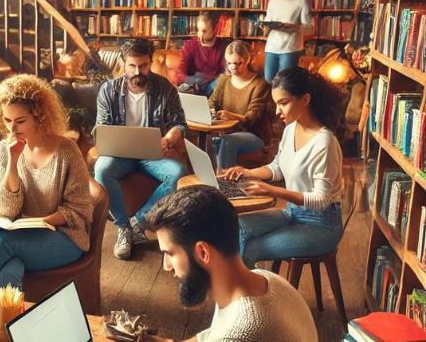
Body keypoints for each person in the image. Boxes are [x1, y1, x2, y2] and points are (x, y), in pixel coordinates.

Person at [144, 185, 318, 342]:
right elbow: (211, 336)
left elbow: (229, 336)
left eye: (169, 253)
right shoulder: (267, 280)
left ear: (203, 252)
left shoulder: (239, 333)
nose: (167, 266)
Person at [0, 74, 92, 291]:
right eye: (7, 120)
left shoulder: (67, 151)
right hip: (23, 236)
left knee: (2, 241)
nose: (12, 129)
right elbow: (7, 208)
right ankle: (6, 322)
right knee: (8, 271)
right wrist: (12, 162)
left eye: (20, 121)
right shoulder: (4, 149)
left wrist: (42, 222)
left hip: (66, 236)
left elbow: (80, 209)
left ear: (39, 115)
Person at [222, 66, 344, 269]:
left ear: (305, 100)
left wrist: (270, 189)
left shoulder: (325, 143)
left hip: (321, 225)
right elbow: (277, 167)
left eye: (283, 103)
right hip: (292, 213)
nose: (277, 111)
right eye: (276, 103)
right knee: (238, 227)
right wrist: (248, 172)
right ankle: (239, 295)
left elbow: (321, 200)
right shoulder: (290, 129)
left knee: (252, 248)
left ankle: (252, 299)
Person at [94, 39, 187, 260]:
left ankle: (139, 221)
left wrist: (171, 135)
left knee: (178, 174)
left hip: (153, 154)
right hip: (120, 154)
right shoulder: (108, 90)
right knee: (101, 169)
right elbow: (100, 128)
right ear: (123, 63)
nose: (138, 72)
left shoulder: (165, 87)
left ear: (150, 62)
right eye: (132, 66)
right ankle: (123, 227)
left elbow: (180, 123)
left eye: (143, 66)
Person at [208, 40, 270, 170]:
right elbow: (211, 102)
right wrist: (211, 110)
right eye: (229, 63)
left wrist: (230, 115)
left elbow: (252, 118)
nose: (233, 67)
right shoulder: (224, 79)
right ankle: (217, 183)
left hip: (253, 134)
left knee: (225, 141)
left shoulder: (259, 84)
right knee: (215, 141)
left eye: (237, 63)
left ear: (247, 60)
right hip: (225, 133)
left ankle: (225, 185)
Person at [263, 0, 313, 83]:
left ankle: (282, 101)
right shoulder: (273, 2)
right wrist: (265, 27)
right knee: (269, 79)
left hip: (290, 48)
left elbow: (309, 29)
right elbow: (268, 22)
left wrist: (293, 27)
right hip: (271, 47)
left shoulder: (302, 0)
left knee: (283, 82)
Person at [175, 12, 228, 95]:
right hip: (193, 87)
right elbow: (180, 72)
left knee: (221, 83)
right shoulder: (189, 45)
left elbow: (226, 73)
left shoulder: (223, 47)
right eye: (198, 30)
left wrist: (209, 78)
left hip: (213, 88)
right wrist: (193, 80)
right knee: (184, 88)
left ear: (215, 29)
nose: (199, 35)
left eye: (204, 31)